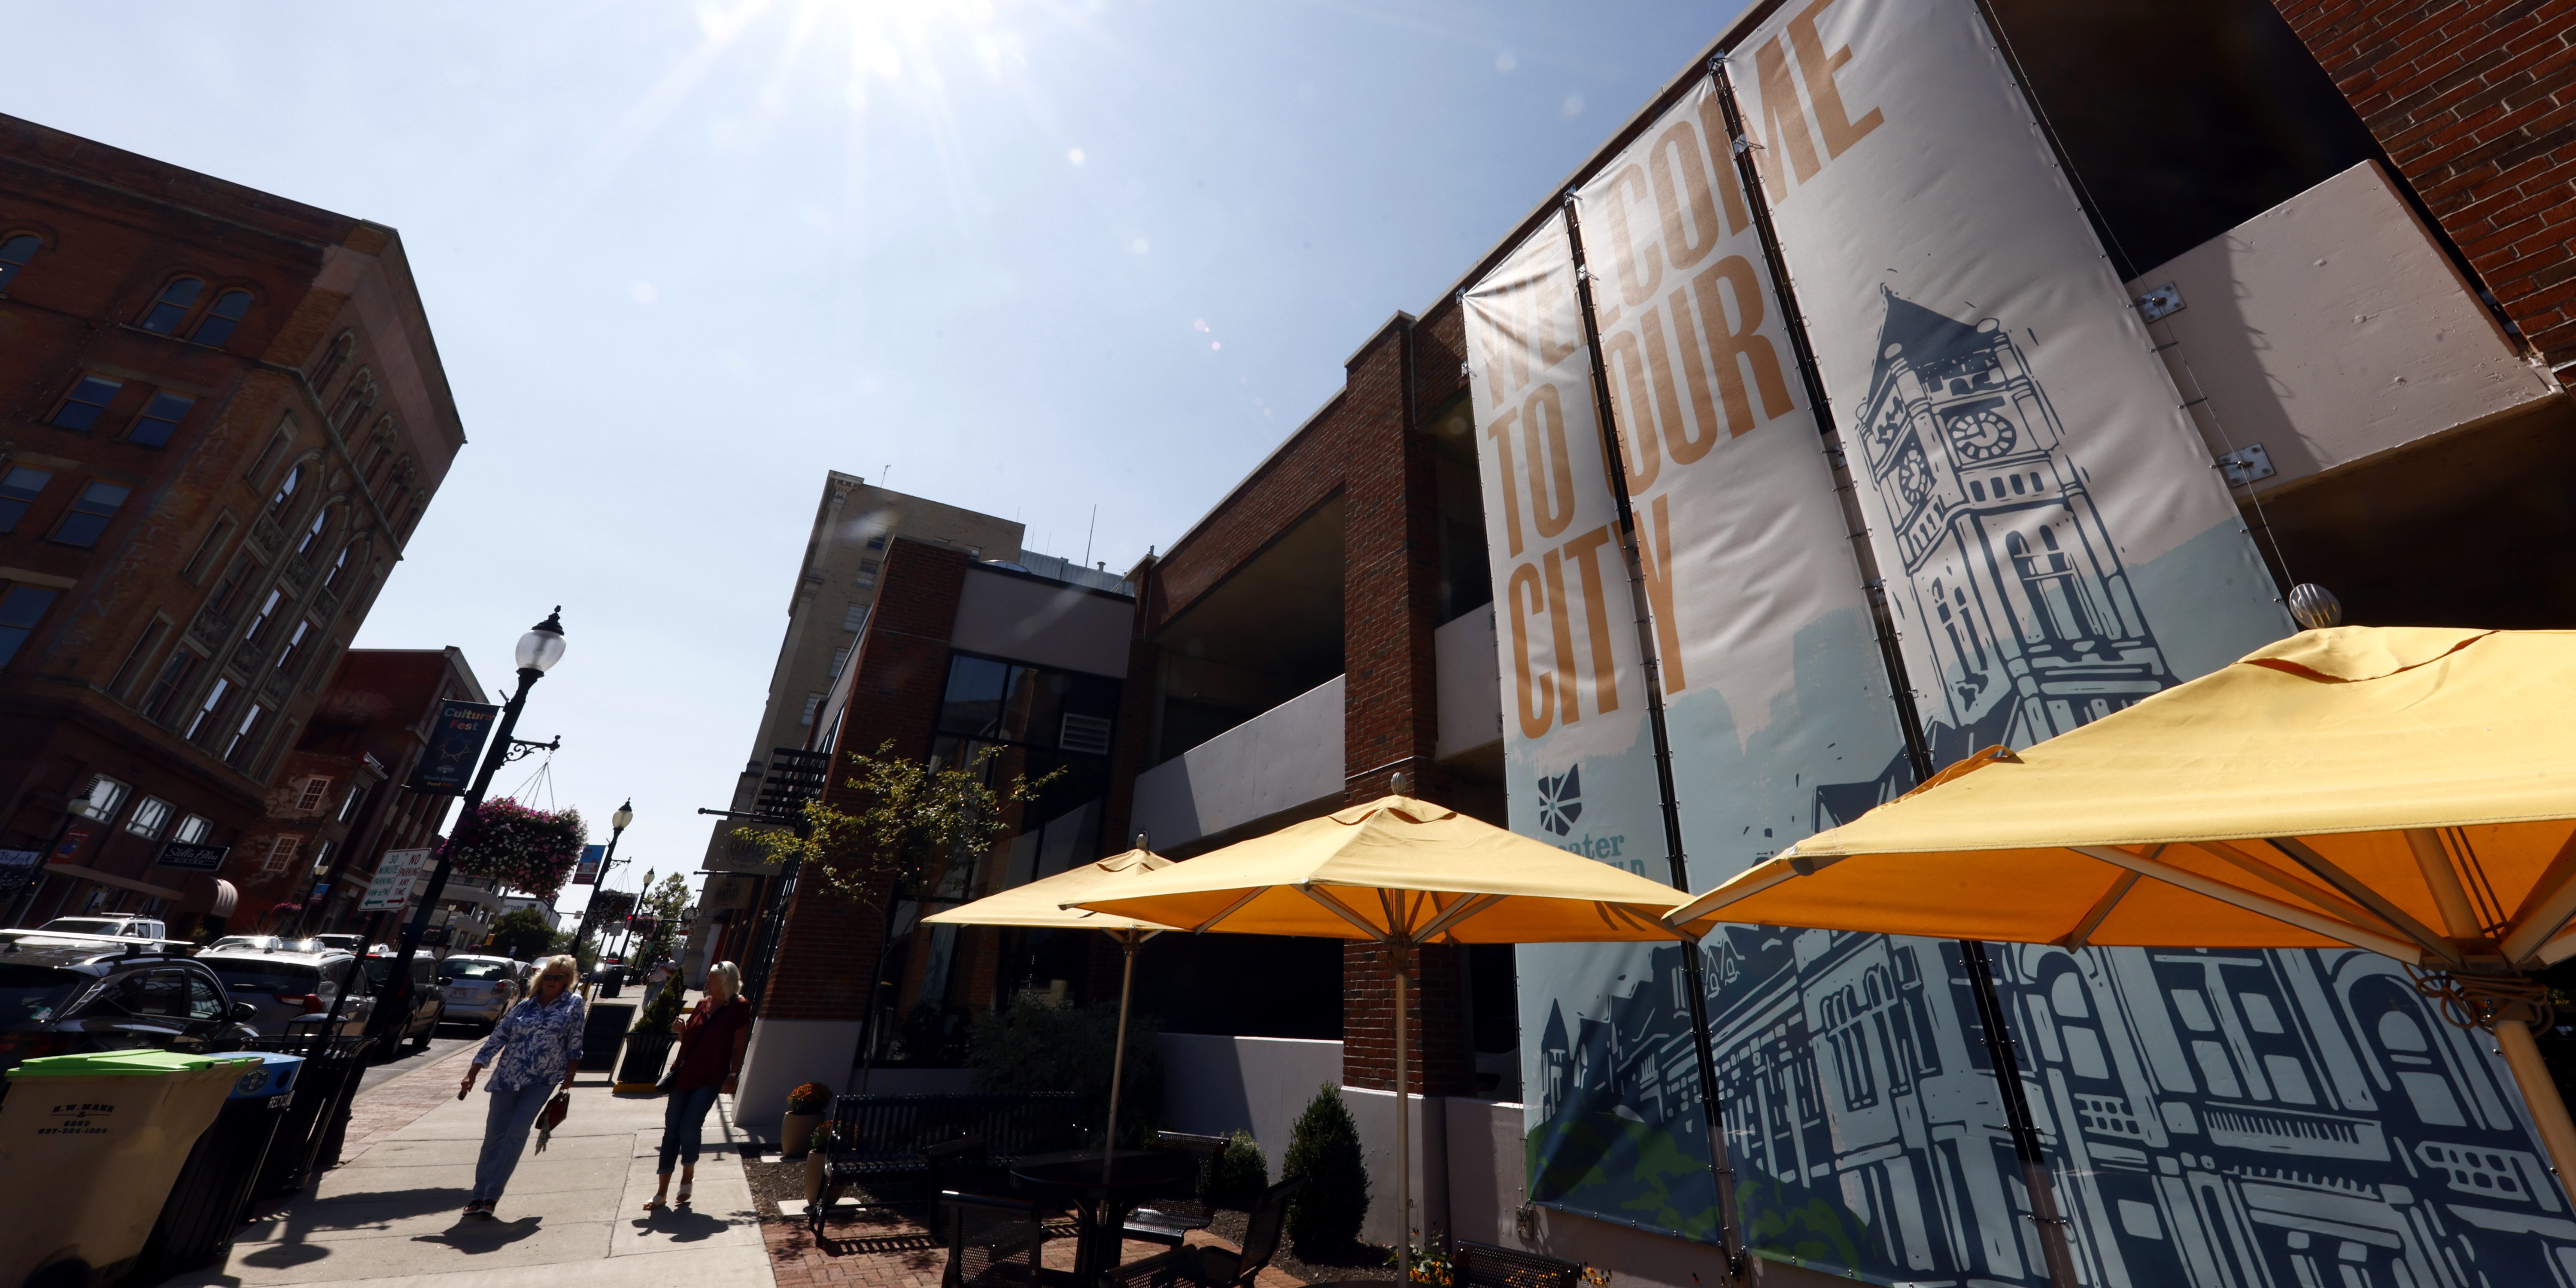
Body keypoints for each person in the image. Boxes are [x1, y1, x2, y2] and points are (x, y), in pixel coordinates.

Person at [456, 953, 585, 1219]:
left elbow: (575, 1042)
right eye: (548, 976)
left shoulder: (574, 1005)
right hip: (507, 1077)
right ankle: (477, 1195)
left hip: (542, 1080)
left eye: (558, 978)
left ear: (567, 980)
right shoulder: (525, 1006)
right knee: (494, 1137)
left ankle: (491, 1196)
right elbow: (498, 1037)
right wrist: (473, 1071)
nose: (551, 981)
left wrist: (569, 1080)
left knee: (516, 1134)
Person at [643, 960, 751, 1211]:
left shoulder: (739, 1007)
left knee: (690, 1127)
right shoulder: (703, 1004)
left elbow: (738, 1044)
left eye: (712, 978)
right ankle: (661, 1192)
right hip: (685, 1073)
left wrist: (734, 1074)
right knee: (672, 1130)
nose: (707, 982)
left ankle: (688, 1173)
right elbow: (689, 1040)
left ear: (726, 982)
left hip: (712, 1076)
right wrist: (681, 1031)